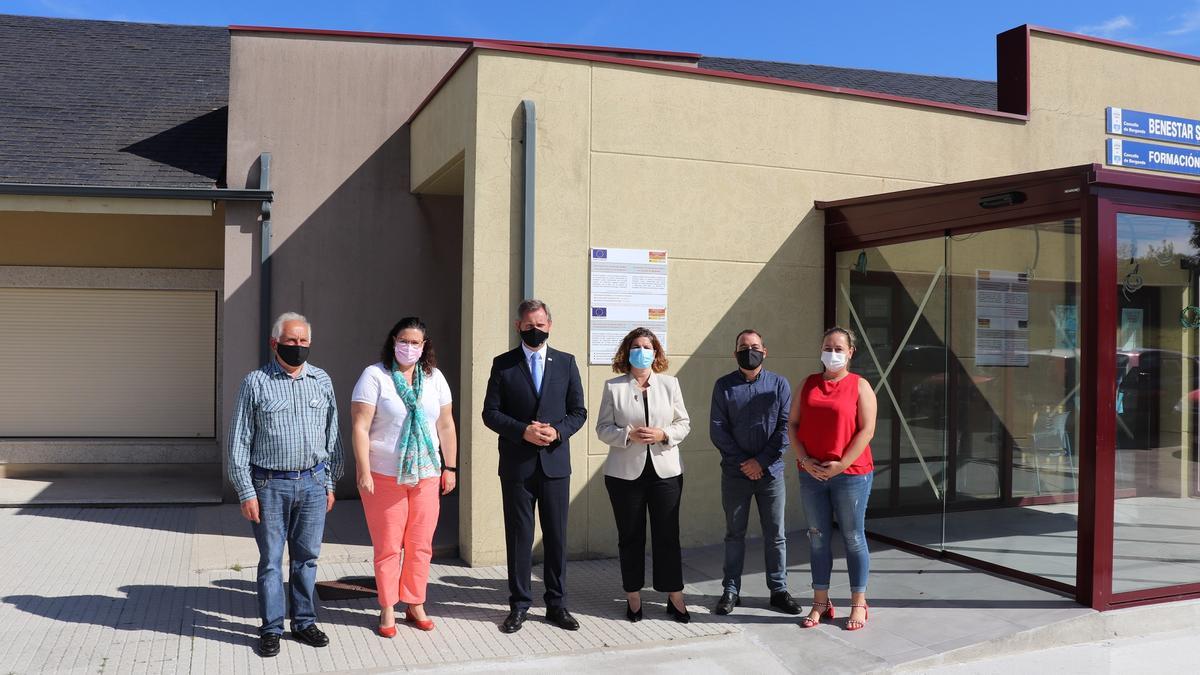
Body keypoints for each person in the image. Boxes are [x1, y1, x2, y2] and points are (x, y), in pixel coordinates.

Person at [228, 312, 345, 658]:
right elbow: (239, 441)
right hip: (269, 486)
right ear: (274, 343)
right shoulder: (255, 383)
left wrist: (330, 482)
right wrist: (245, 491)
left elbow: (333, 435)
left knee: (307, 559)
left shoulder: (321, 380)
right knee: (271, 561)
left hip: (312, 483)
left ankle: (304, 621)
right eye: (291, 340)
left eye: (303, 340)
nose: (298, 346)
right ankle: (271, 628)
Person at [482, 299, 588, 634]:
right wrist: (522, 431)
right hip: (518, 466)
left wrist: (558, 432)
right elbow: (490, 413)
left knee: (556, 537)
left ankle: (557, 604)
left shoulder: (566, 363)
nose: (535, 330)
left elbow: (578, 412)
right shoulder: (503, 364)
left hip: (555, 466)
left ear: (550, 325)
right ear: (518, 326)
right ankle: (519, 605)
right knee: (519, 537)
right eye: (529, 325)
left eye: (540, 325)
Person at [350, 317, 458, 637]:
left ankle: (415, 602)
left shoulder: (434, 378)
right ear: (393, 341)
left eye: (415, 343)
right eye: (404, 341)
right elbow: (360, 426)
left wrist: (450, 467)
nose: (409, 347)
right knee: (388, 546)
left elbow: (446, 425)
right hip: (384, 475)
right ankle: (387, 606)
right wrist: (363, 470)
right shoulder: (375, 376)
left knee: (420, 544)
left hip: (427, 474)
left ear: (424, 346)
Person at [596, 327, 692, 623]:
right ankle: (633, 596)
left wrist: (663, 434)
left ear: (656, 352)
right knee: (630, 536)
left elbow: (684, 423)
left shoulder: (670, 384)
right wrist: (627, 435)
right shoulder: (614, 387)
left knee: (667, 535)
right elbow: (602, 428)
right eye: (636, 346)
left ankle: (674, 594)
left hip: (666, 472)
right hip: (624, 475)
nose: (642, 351)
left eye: (647, 346)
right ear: (627, 352)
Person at [790, 326, 877, 631]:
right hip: (812, 474)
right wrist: (804, 460)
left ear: (850, 352)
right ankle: (820, 601)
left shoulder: (860, 386)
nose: (833, 353)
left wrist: (841, 465)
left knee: (853, 537)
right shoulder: (808, 384)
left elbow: (867, 430)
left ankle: (858, 603)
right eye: (828, 347)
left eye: (839, 348)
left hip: (851, 475)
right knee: (817, 538)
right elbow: (793, 424)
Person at [709, 329, 800, 616]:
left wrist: (760, 462)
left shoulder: (779, 384)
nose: (750, 351)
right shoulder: (723, 386)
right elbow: (718, 430)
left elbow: (785, 427)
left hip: (770, 473)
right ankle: (730, 591)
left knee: (776, 535)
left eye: (755, 346)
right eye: (743, 346)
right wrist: (745, 463)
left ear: (764, 351)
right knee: (734, 534)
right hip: (735, 474)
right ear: (735, 352)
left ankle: (779, 591)